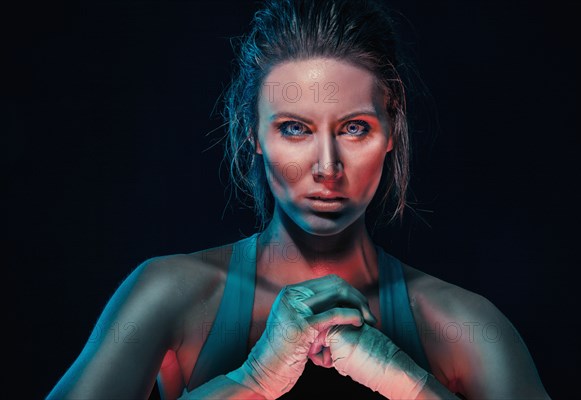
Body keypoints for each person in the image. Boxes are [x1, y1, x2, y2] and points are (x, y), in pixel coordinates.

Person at [47, 0, 551, 399]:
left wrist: (411, 385)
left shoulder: (462, 324)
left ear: (392, 130)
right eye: (295, 128)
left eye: (355, 128)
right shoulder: (171, 294)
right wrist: (253, 379)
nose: (326, 166)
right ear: (252, 133)